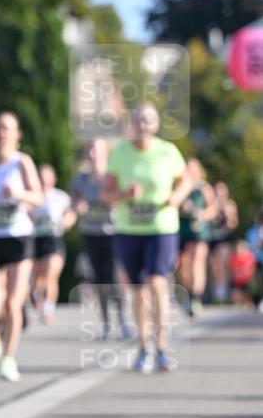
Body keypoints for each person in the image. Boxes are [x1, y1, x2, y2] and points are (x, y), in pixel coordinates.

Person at [102, 103, 193, 373]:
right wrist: (124, 195)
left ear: (156, 124)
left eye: (147, 120)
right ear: (131, 124)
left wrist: (176, 197)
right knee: (138, 288)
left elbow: (186, 180)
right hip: (129, 229)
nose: (142, 125)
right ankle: (144, 347)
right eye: (138, 120)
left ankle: (162, 346)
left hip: (161, 227)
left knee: (157, 280)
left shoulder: (167, 151)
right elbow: (105, 195)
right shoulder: (120, 153)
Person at [0, 112, 42, 382]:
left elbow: (38, 197)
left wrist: (18, 195)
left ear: (17, 135)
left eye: (7, 129)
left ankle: (8, 358)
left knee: (13, 303)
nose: (2, 134)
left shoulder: (21, 162)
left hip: (18, 238)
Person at [70, 139, 132, 340]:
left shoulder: (112, 177)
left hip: (113, 232)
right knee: (99, 279)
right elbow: (73, 201)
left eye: (96, 149)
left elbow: (126, 198)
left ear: (105, 153)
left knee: (115, 278)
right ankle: (106, 324)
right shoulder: (80, 179)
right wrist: (77, 206)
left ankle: (123, 321)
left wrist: (114, 201)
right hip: (91, 233)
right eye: (89, 149)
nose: (92, 153)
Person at [30, 164, 75, 324]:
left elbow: (70, 214)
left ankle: (48, 308)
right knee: (36, 276)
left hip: (54, 239)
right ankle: (37, 297)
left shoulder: (61, 197)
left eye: (47, 176)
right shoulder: (31, 196)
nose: (44, 180)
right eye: (41, 176)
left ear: (53, 179)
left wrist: (67, 221)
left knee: (51, 273)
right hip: (34, 240)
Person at [177, 159, 217, 316]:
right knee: (182, 265)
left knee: (196, 262)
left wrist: (202, 214)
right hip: (182, 229)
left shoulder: (204, 188)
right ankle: (186, 293)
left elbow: (213, 208)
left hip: (199, 231)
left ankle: (196, 298)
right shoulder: (180, 186)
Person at [209, 181, 239, 303]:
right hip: (212, 239)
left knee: (223, 265)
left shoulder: (230, 205)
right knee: (214, 267)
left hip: (224, 239)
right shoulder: (211, 205)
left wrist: (228, 215)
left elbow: (233, 223)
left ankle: (223, 293)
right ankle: (216, 293)